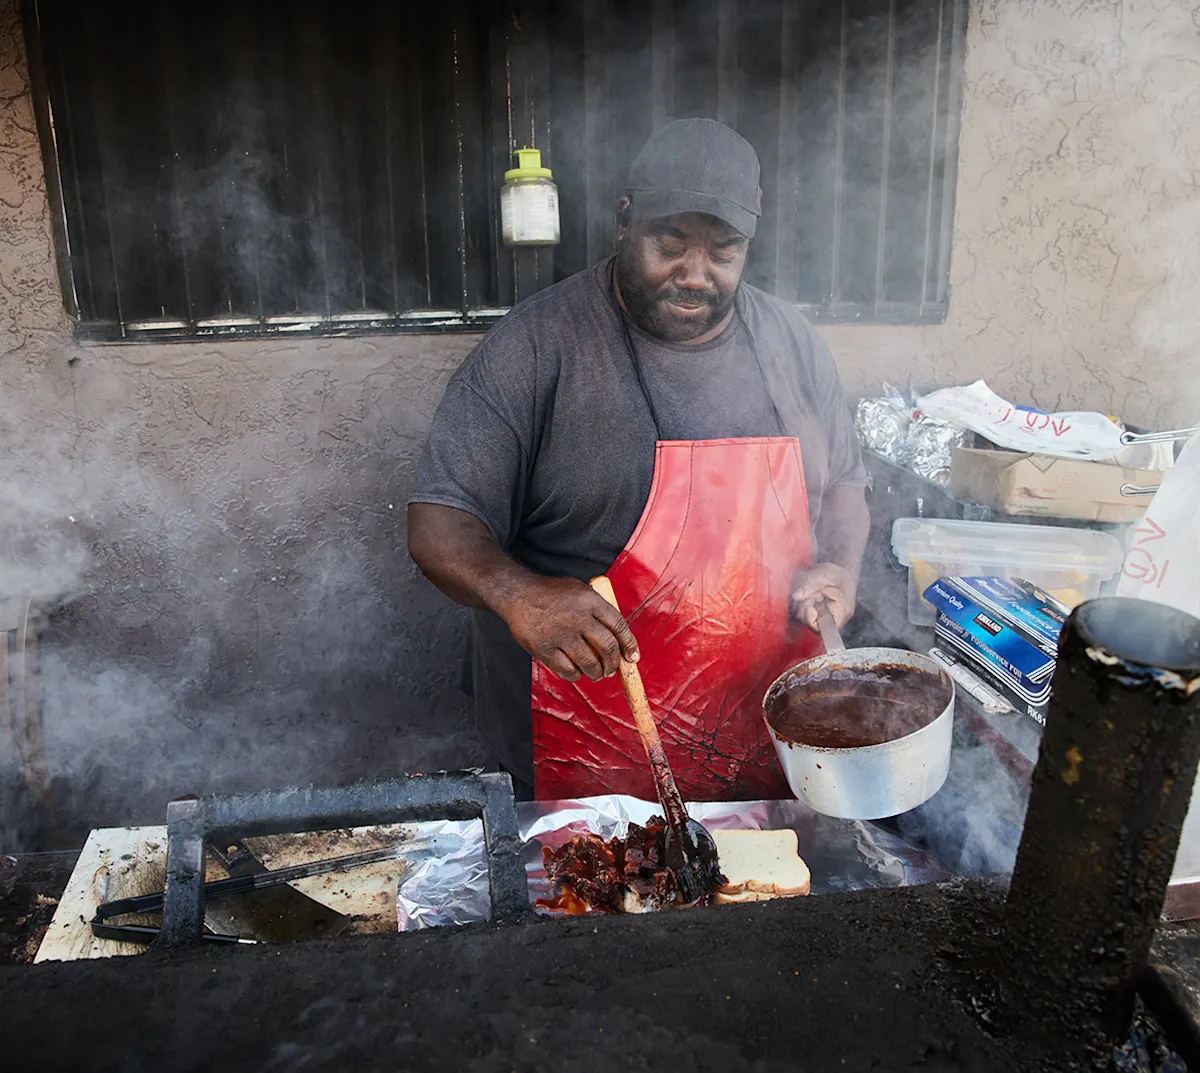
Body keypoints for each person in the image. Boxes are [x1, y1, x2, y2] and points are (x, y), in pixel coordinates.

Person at [408, 119, 869, 803]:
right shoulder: (539, 346)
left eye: (724, 252)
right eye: (670, 244)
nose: (695, 274)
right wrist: (519, 594)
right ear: (624, 221)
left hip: (763, 751)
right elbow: (438, 524)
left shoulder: (792, 343)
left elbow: (845, 487)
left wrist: (842, 566)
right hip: (581, 753)